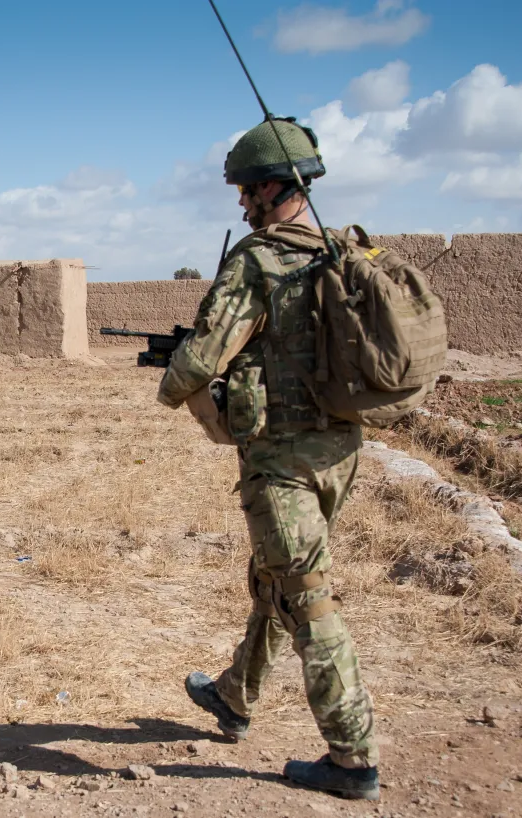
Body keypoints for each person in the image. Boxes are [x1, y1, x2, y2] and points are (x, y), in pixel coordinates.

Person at [156, 117, 380, 801]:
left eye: (246, 191)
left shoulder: (258, 259)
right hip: (338, 448)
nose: (242, 203)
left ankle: (352, 758)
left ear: (272, 188)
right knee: (276, 579)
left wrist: (176, 384)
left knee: (305, 595)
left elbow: (200, 359)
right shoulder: (341, 251)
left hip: (281, 459)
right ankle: (235, 695)